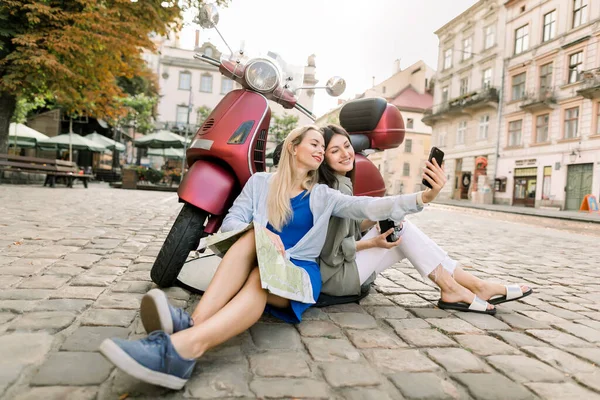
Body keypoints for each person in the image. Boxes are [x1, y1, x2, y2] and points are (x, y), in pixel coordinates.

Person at [99, 124, 447, 390]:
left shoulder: (324, 195)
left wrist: (424, 198)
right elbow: (232, 223)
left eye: (323, 147)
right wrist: (260, 231)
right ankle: (186, 338)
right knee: (255, 254)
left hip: (299, 276)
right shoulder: (259, 184)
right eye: (315, 143)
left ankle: (182, 343)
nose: (320, 149)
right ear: (293, 147)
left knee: (263, 275)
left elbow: (370, 205)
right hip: (259, 265)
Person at [317, 124, 532, 313]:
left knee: (400, 229)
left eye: (347, 146)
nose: (345, 153)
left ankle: (469, 286)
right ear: (323, 158)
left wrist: (378, 220)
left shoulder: (341, 181)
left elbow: (352, 227)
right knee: (403, 230)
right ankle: (462, 288)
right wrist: (373, 242)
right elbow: (331, 250)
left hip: (344, 270)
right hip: (337, 278)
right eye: (335, 150)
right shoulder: (332, 188)